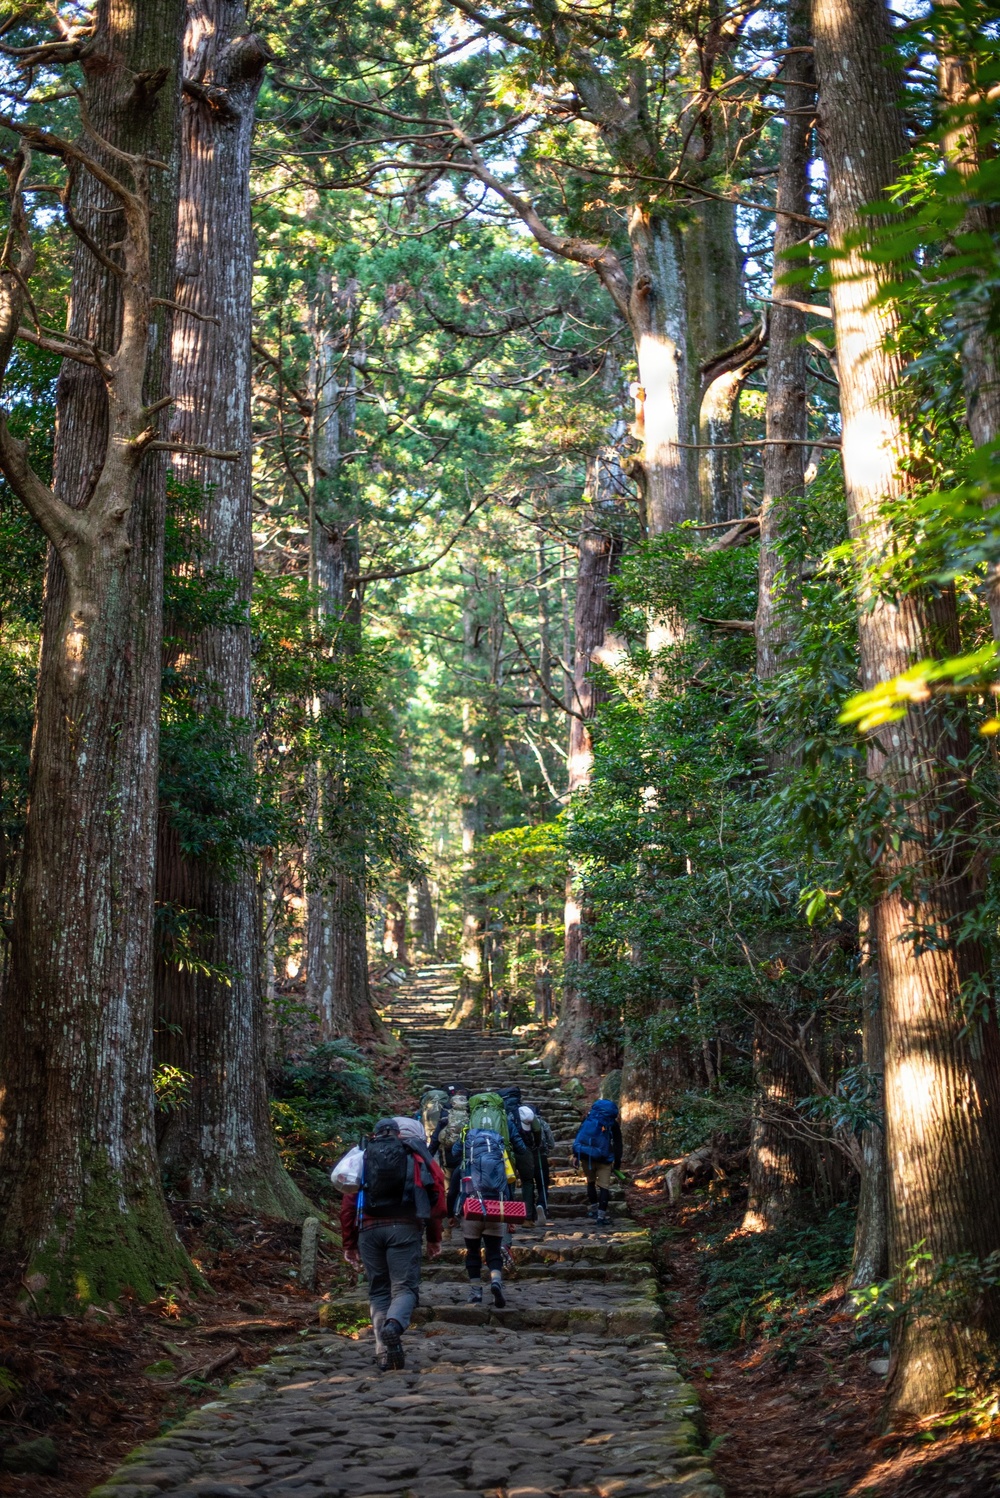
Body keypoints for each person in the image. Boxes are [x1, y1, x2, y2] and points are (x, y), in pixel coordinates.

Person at [340, 1117, 445, 1372]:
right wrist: (434, 1237)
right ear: (399, 1134)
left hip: (368, 1231)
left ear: (374, 1134)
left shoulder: (362, 1156)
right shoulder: (415, 1154)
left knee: (378, 1291)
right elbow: (435, 1197)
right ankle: (394, 1325)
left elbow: (348, 1205)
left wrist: (349, 1243)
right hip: (405, 1229)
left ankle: (383, 1352)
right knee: (405, 1289)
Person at [573, 1097, 623, 1226]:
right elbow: (618, 1144)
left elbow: (580, 1136)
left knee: (590, 1182)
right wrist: (617, 1163)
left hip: (586, 1156)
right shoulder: (612, 1123)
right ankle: (601, 1218)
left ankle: (594, 1210)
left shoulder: (589, 1119)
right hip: (604, 1158)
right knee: (604, 1187)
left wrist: (576, 1155)